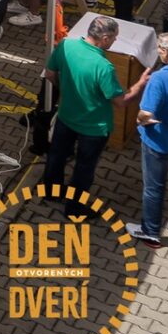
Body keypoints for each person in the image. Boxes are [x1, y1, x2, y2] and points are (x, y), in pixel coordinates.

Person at [42, 15, 128, 218]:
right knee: (84, 168)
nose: (115, 41)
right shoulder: (103, 66)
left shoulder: (65, 46)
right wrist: (140, 86)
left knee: (57, 156)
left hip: (66, 116)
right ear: (105, 38)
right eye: (114, 37)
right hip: (94, 128)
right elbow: (120, 101)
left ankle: (51, 192)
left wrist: (64, 90)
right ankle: (74, 209)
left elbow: (49, 74)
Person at [133, 33, 168, 248]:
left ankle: (151, 232)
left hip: (158, 141)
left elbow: (146, 112)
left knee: (154, 188)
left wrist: (141, 121)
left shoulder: (160, 78)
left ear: (165, 53)